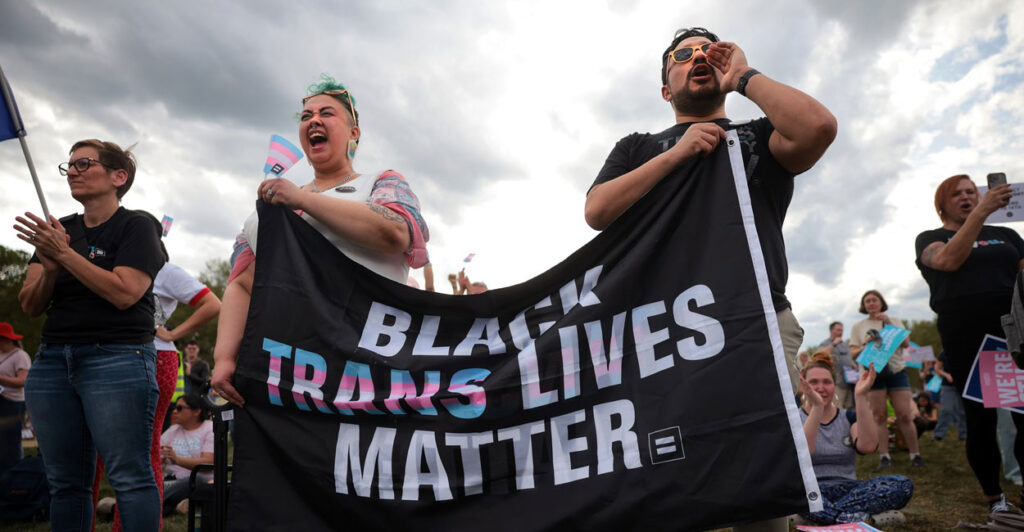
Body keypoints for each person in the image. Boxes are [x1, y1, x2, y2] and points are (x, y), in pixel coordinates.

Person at [583, 25, 836, 531]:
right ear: (665, 88)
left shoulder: (760, 135)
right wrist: (675, 154)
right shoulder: (637, 146)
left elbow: (818, 128)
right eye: (683, 55)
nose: (697, 57)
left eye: (708, 52)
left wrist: (742, 76)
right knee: (672, 470)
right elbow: (598, 210)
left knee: (760, 476)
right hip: (664, 330)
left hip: (755, 322)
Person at [212, 75, 429, 406]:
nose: (314, 120)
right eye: (306, 117)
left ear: (353, 133)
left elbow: (396, 233)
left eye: (327, 113)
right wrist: (224, 358)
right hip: (289, 377)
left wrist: (303, 200)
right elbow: (242, 285)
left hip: (366, 375)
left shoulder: (381, 183)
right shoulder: (264, 214)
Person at [14, 139, 164, 530]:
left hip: (116, 358)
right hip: (53, 362)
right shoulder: (57, 231)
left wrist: (64, 256)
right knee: (65, 483)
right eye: (69, 166)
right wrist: (49, 266)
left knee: (129, 478)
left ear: (119, 177)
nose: (73, 171)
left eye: (84, 163)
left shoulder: (138, 226)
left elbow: (125, 292)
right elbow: (30, 306)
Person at [92, 211, 222, 531]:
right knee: (93, 449)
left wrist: (172, 333)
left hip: (154, 357)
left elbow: (212, 304)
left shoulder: (164, 269)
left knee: (142, 451)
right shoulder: (109, 263)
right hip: (105, 354)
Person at [916, 174, 1024, 513]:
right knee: (981, 418)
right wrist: (983, 212)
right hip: (968, 335)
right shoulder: (931, 239)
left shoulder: (1006, 235)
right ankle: (995, 498)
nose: (966, 197)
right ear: (942, 204)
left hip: (1013, 331)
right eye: (957, 194)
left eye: (971, 192)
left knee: (1023, 413)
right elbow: (948, 261)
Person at [797, 352, 913, 526]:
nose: (821, 388)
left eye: (827, 382)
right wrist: (817, 408)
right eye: (813, 382)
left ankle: (824, 516)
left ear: (834, 386)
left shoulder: (848, 417)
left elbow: (867, 447)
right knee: (787, 490)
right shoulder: (793, 419)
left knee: (902, 484)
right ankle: (862, 518)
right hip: (809, 490)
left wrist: (860, 396)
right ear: (803, 386)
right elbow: (803, 455)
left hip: (849, 490)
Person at [848, 290, 922, 469]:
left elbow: (906, 344)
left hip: (896, 372)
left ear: (882, 303)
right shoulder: (858, 326)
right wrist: (866, 342)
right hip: (874, 375)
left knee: (905, 415)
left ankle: (915, 455)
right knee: (879, 416)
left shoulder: (894, 320)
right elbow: (853, 353)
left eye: (874, 300)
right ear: (863, 306)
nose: (871, 303)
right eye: (867, 301)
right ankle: (884, 456)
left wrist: (889, 324)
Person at [159, 393, 214, 516]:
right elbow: (157, 459)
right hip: (170, 483)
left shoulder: (209, 429)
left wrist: (177, 460)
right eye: (174, 407)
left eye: (180, 408)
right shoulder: (173, 430)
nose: (174, 412)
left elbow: (209, 463)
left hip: (196, 483)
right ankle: (174, 506)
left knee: (197, 479)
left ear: (196, 411)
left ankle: (119, 508)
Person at [0, 322, 31, 477]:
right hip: (2, 402)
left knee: (11, 443)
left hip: (14, 403)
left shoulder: (20, 356)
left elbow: (23, 381)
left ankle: (15, 477)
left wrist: (1, 379)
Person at [818, 321, 856, 409]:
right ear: (831, 331)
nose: (840, 332)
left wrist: (852, 363)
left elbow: (848, 356)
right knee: (837, 407)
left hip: (849, 381)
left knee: (850, 407)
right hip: (837, 382)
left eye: (842, 330)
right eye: (838, 330)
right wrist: (834, 344)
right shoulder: (825, 343)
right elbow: (821, 354)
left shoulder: (844, 344)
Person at [932, 351, 967, 441]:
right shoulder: (944, 353)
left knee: (962, 411)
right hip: (947, 386)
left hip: (962, 385)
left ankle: (963, 434)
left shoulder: (964, 351)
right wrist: (947, 375)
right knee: (946, 410)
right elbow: (938, 369)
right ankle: (939, 434)